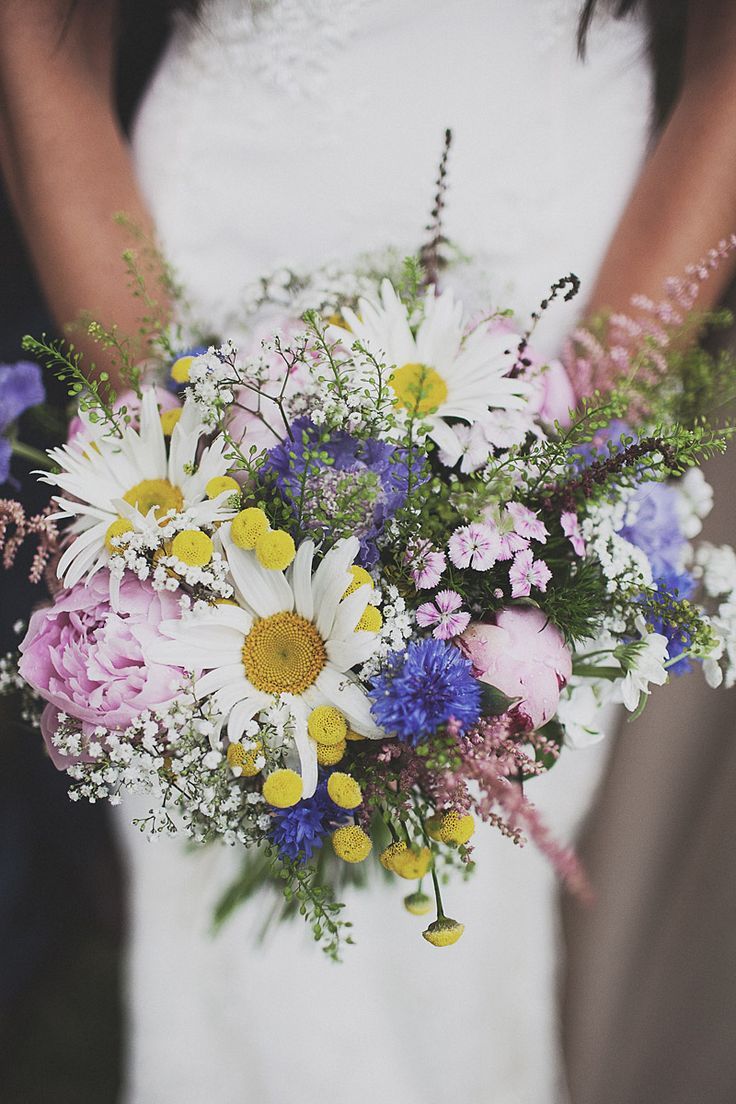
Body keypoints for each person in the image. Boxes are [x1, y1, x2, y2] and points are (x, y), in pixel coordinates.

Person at [1, 2, 734, 1102]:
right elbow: (38, 31)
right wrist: (169, 474)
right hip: (202, 285)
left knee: (471, 889)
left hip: (560, 305)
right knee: (224, 884)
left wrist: (561, 487)